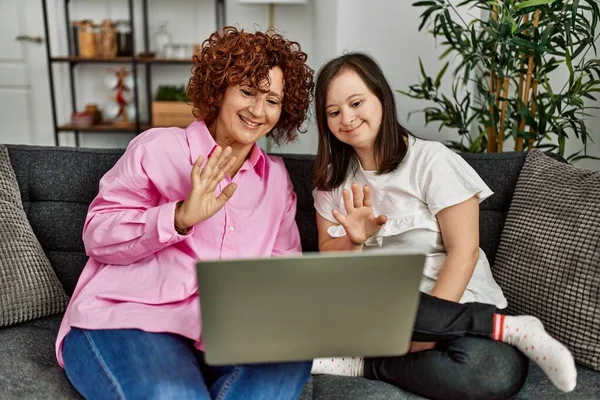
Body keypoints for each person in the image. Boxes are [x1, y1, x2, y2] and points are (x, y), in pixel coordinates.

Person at [55, 27, 315, 400]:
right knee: (172, 394)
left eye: (272, 100)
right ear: (219, 90)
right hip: (130, 319)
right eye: (246, 92)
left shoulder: (274, 180)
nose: (258, 111)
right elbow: (97, 235)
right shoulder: (158, 148)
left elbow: (279, 273)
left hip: (225, 333)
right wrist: (179, 216)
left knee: (289, 361)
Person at [308, 52, 577, 400]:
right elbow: (333, 270)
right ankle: (503, 330)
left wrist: (427, 331)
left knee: (498, 372)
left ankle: (361, 361)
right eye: (333, 112)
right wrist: (356, 242)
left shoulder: (431, 161)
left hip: (454, 303)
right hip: (381, 309)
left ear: (382, 99)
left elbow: (463, 253)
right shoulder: (331, 182)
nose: (347, 118)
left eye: (356, 102)